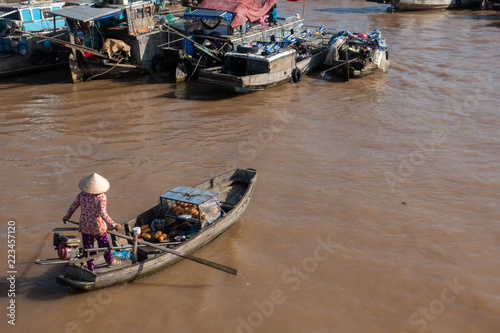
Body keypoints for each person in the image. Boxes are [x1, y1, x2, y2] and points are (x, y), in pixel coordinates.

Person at [63, 172, 124, 272]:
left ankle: (91, 268)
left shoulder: (82, 194)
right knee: (105, 245)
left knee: (88, 248)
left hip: (85, 226)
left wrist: (67, 217)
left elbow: (73, 207)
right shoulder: (101, 197)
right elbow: (103, 213)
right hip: (98, 227)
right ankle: (110, 262)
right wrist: (114, 225)